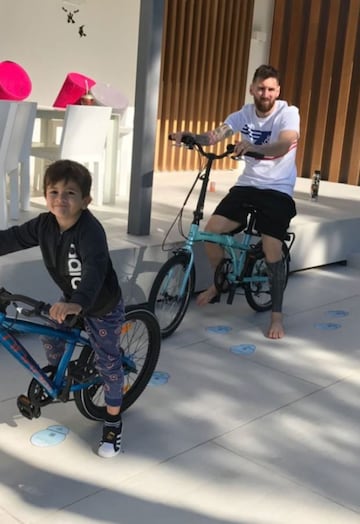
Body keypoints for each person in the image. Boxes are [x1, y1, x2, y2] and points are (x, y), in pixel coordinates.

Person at [0, 159, 124, 458]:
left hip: (99, 304)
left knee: (108, 362)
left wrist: (78, 302)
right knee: (49, 332)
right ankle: (58, 375)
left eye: (70, 193)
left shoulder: (90, 231)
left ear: (85, 200)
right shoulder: (44, 224)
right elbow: (12, 238)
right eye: (53, 192)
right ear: (45, 196)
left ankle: (112, 420)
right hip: (70, 299)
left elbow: (94, 270)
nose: (60, 199)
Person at [172, 64, 300, 339]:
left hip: (278, 189)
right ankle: (221, 282)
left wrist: (254, 147)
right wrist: (191, 137)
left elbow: (284, 144)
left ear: (277, 91)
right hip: (247, 186)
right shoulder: (242, 115)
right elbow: (214, 135)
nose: (265, 93)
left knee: (271, 247)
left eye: (271, 89)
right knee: (210, 231)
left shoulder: (288, 114)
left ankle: (276, 315)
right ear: (252, 89)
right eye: (261, 88)